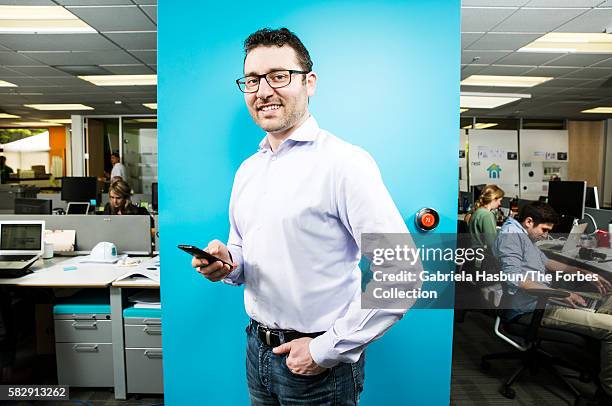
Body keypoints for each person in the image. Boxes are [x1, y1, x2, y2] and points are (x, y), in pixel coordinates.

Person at [191, 27, 414, 405]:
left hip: (317, 366)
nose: (263, 91)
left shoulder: (344, 163)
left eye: (278, 76)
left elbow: (403, 273)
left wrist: (326, 350)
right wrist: (228, 264)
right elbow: (245, 254)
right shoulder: (249, 170)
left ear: (309, 83)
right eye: (252, 80)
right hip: (257, 352)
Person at [495, 201, 612, 404]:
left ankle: (597, 354)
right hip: (531, 309)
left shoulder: (522, 234)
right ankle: (607, 393)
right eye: (544, 229)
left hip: (544, 299)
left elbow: (547, 262)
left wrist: (585, 273)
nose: (546, 235)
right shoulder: (511, 237)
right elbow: (513, 278)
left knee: (609, 300)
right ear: (529, 221)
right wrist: (559, 293)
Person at [468, 184, 504, 252]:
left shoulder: (477, 212)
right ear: (493, 199)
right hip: (484, 255)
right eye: (499, 200)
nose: (500, 203)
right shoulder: (487, 215)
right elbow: (491, 242)